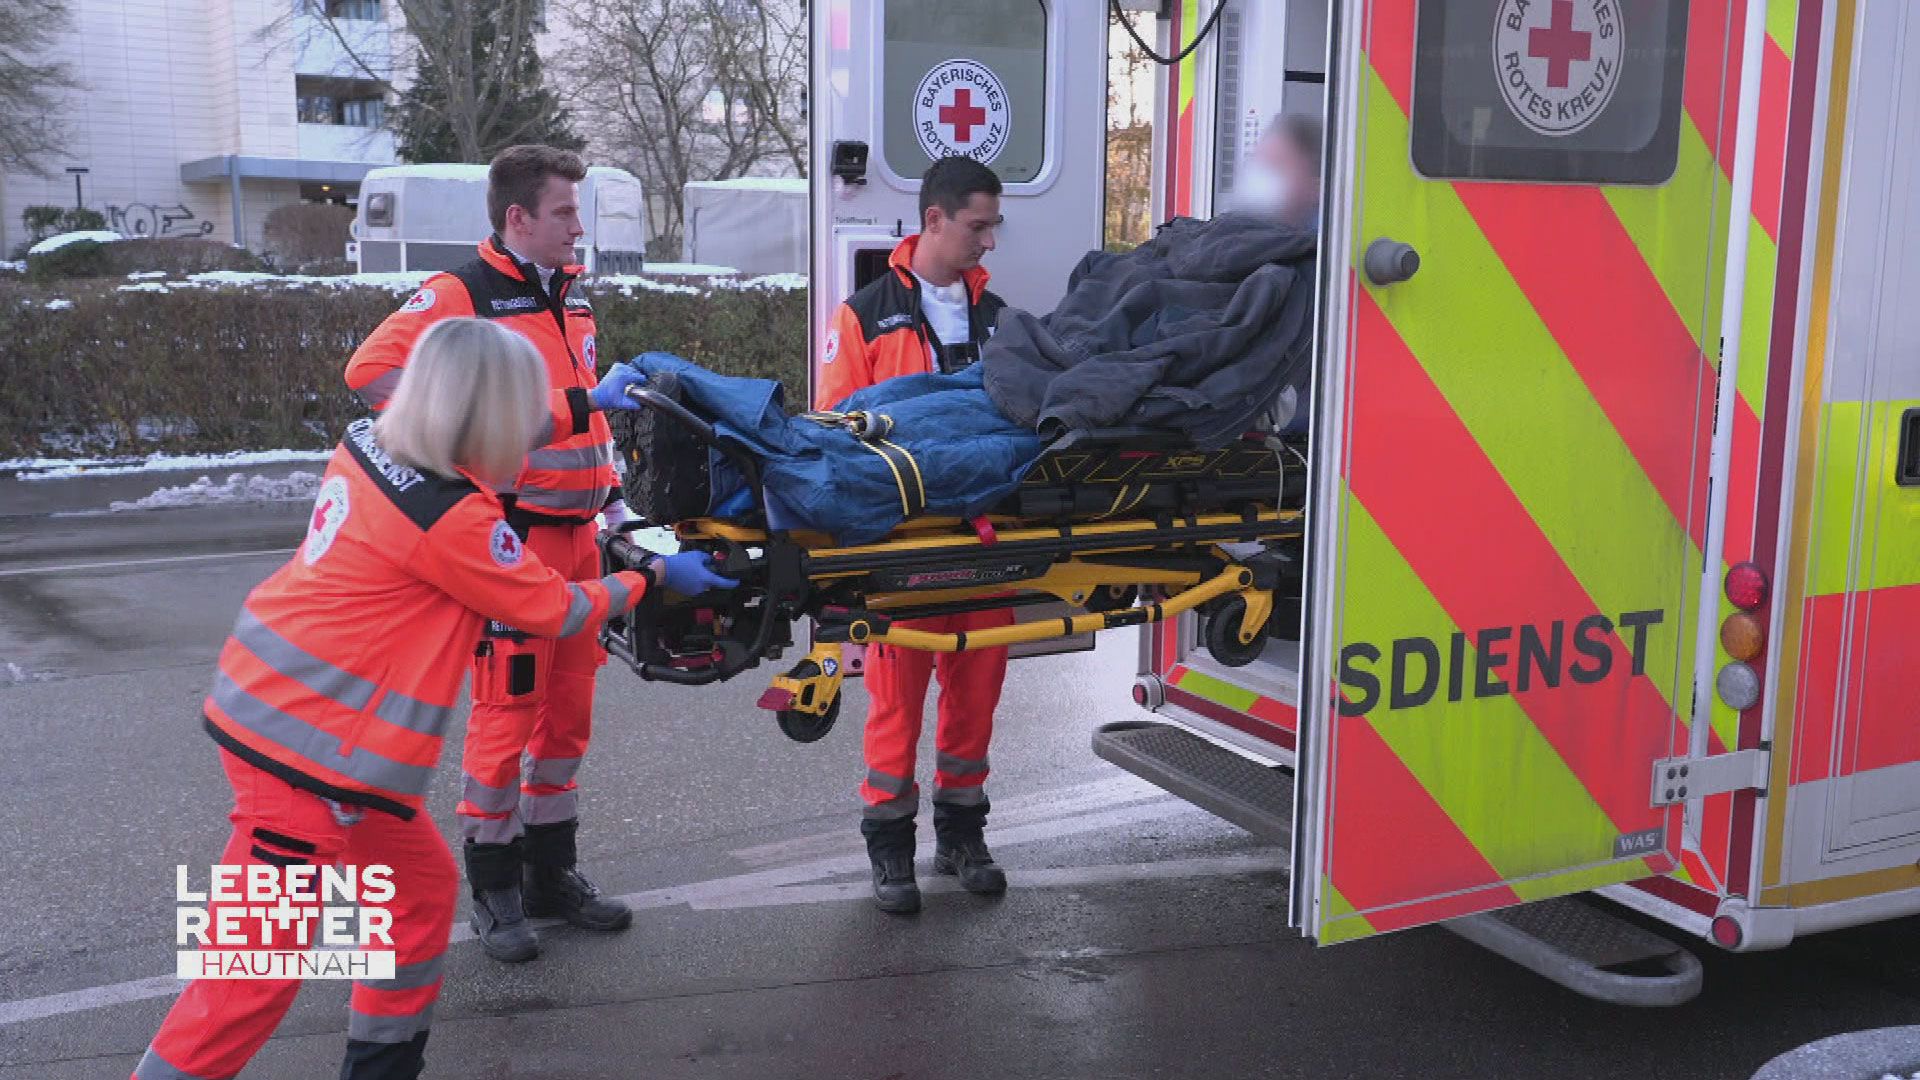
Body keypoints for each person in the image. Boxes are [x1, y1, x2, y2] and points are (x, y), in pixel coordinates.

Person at [134, 319, 733, 1080]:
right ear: (483, 418)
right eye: (519, 422)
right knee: (248, 976)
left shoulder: (373, 442)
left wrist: (588, 402)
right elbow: (553, 609)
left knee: (417, 893)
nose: (530, 440)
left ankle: (381, 1068)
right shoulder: (455, 519)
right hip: (304, 757)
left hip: (308, 733)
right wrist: (653, 578)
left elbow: (489, 410)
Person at [346, 145, 635, 963]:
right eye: (565, 213)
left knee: (566, 721)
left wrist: (614, 498)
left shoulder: (567, 298)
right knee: (505, 720)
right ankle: (497, 890)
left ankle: (552, 875)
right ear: (517, 219)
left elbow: (587, 425)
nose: (579, 227)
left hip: (581, 538)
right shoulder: (460, 295)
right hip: (512, 540)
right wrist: (464, 447)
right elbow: (368, 372)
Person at [815, 156, 1014, 915]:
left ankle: (963, 834)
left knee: (977, 694)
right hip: (905, 548)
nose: (989, 241)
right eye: (977, 225)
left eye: (993, 225)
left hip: (987, 541)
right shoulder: (864, 315)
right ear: (934, 221)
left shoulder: (998, 319)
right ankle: (890, 847)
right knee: (897, 699)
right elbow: (837, 428)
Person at [1242, 111, 1322, 229]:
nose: (1261, 175)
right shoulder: (1241, 232)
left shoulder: (1329, 239)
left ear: (1317, 185)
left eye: (1276, 165)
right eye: (1259, 162)